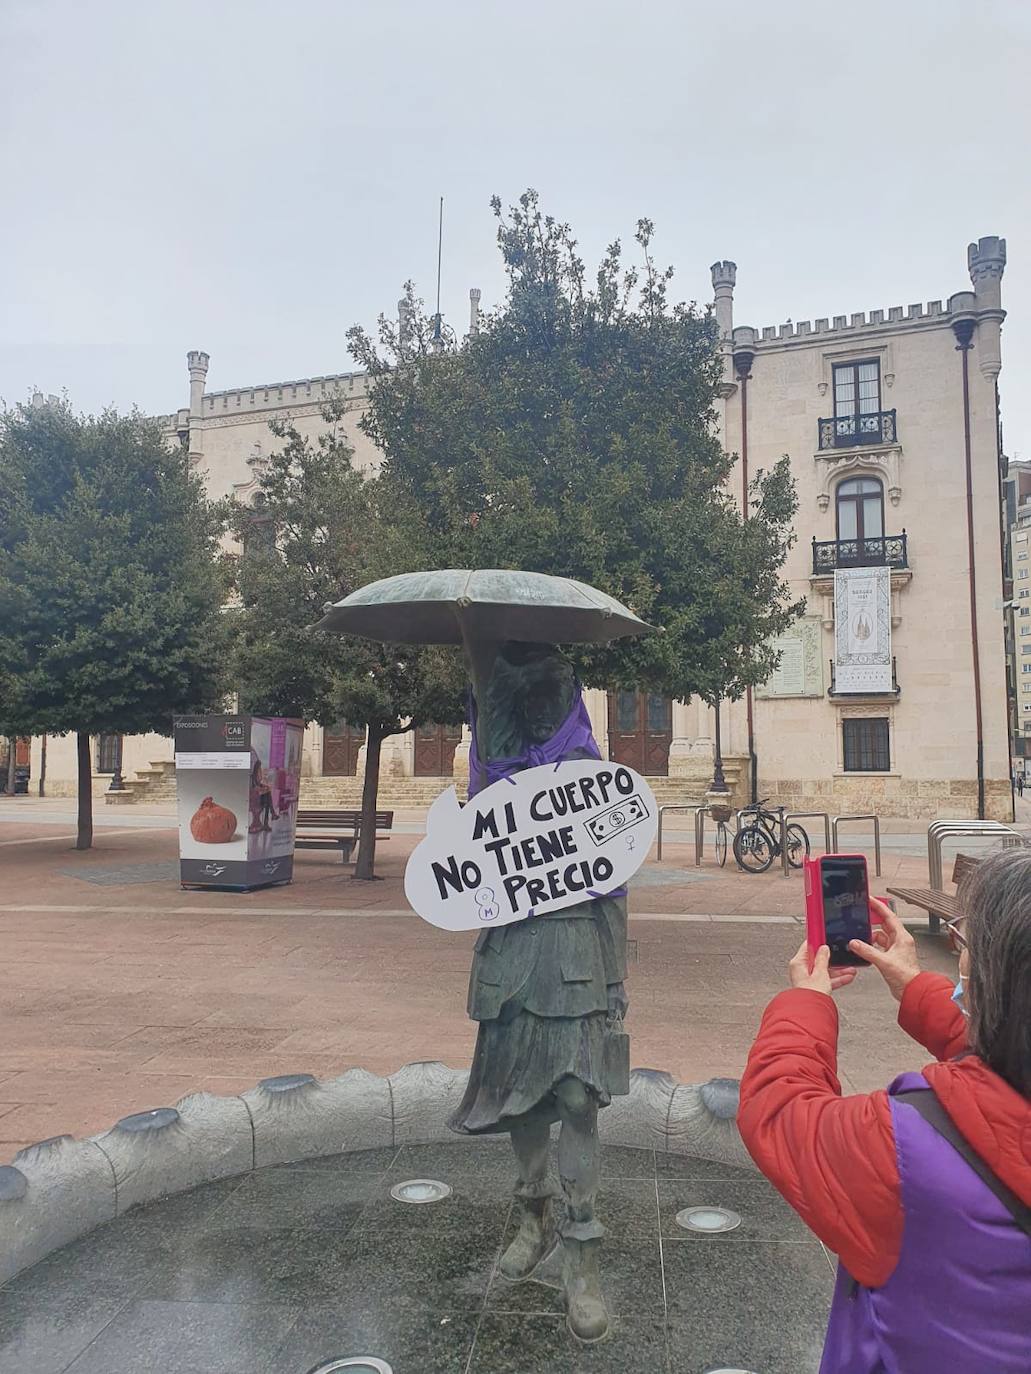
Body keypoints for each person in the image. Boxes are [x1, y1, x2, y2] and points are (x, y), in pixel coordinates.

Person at [738, 849, 1031, 1373]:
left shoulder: (912, 1148)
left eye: (966, 944)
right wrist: (917, 990)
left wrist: (807, 1000)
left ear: (998, 983)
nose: (959, 955)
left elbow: (779, 1112)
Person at [448, 642, 629, 1342]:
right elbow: (468, 865)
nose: (533, 710)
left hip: (578, 945)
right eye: (519, 701)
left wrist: (615, 979)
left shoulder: (589, 775)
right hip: (512, 951)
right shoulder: (492, 778)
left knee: (578, 1097)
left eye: (544, 699)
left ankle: (582, 1250)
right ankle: (534, 1214)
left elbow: (612, 887)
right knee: (517, 1100)